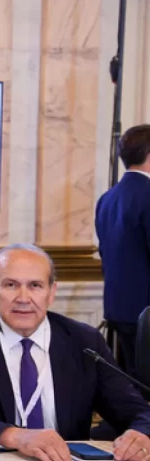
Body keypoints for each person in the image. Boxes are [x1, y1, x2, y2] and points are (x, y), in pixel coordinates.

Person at [0, 244, 150, 461]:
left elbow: (137, 412)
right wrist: (16, 436)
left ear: (51, 292)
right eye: (10, 285)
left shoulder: (83, 341)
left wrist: (141, 435)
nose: (23, 298)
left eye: (35, 286)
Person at [96, 124, 150, 376]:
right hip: (146, 311)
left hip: (119, 308)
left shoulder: (107, 198)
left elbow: (105, 253)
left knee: (134, 381)